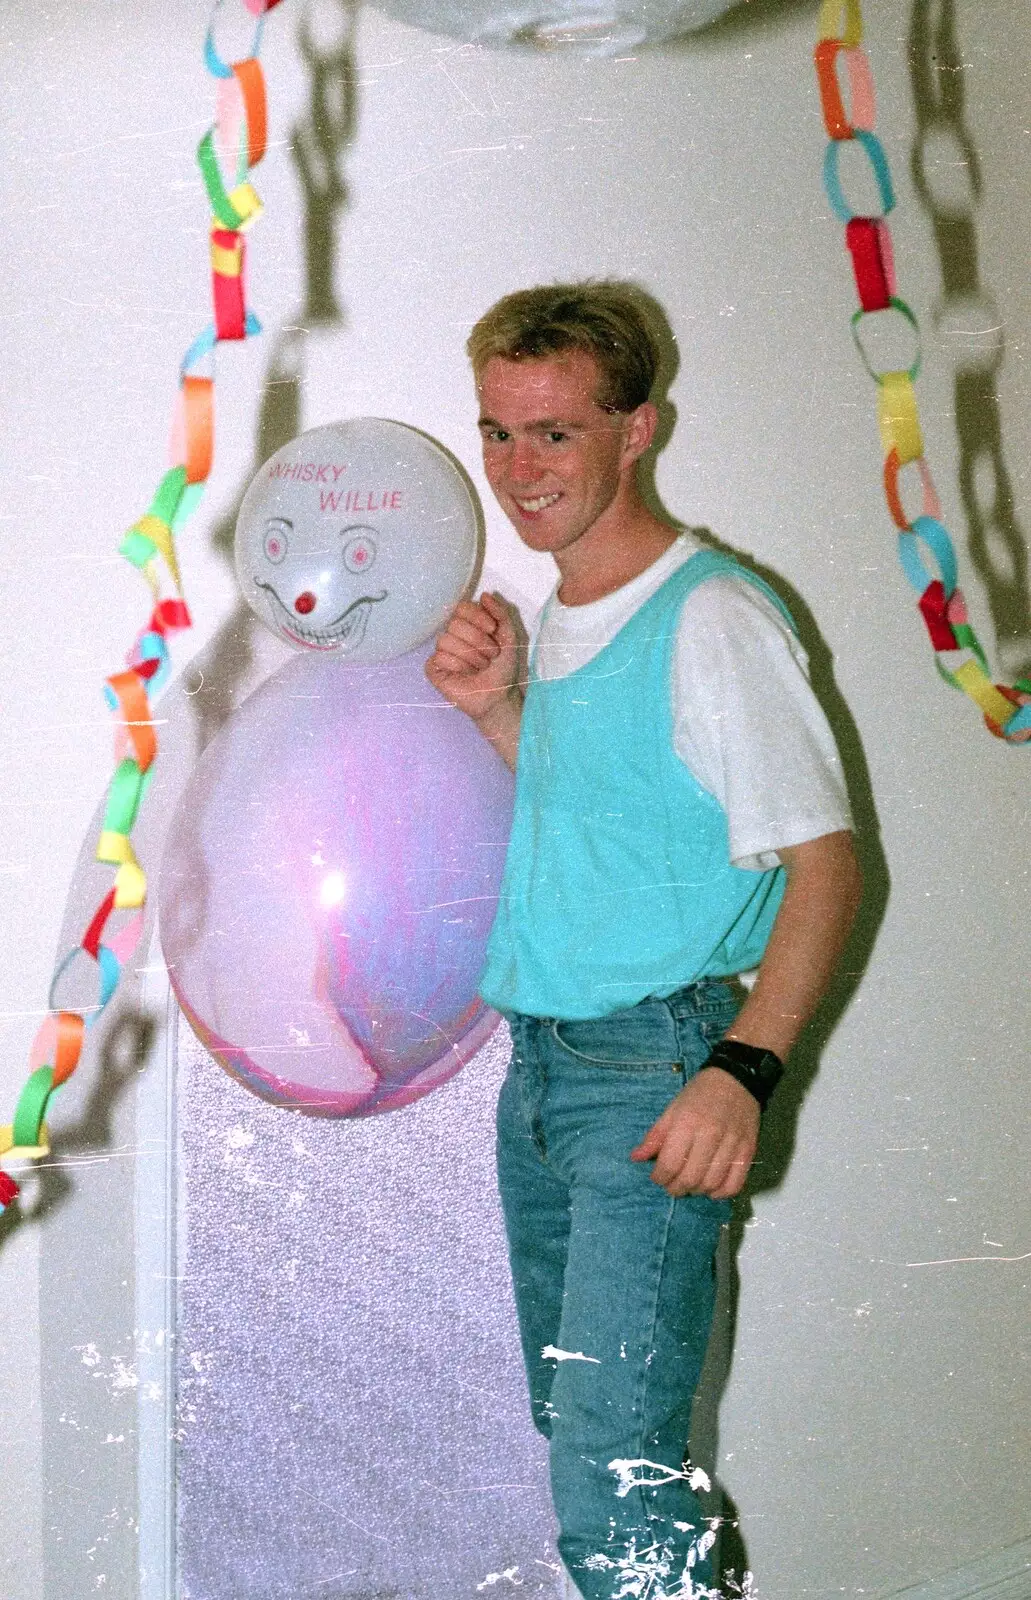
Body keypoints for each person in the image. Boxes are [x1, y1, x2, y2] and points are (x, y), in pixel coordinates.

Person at [425, 282, 862, 1600]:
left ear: (639, 430)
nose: (517, 470)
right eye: (497, 433)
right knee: (597, 1444)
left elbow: (828, 866)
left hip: (652, 1069)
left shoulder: (714, 612)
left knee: (613, 1467)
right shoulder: (561, 622)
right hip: (543, 1078)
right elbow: (611, 837)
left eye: (554, 433)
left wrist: (743, 1069)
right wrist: (501, 714)